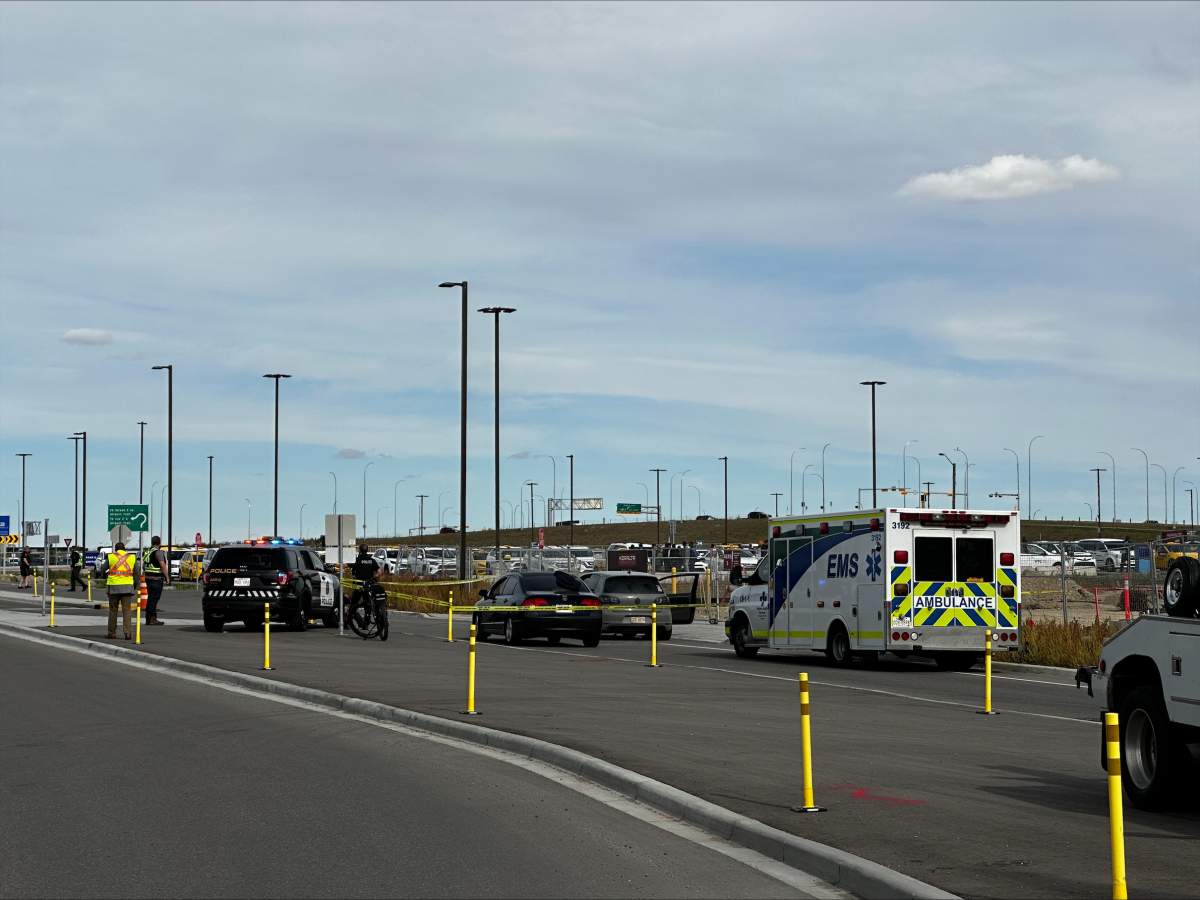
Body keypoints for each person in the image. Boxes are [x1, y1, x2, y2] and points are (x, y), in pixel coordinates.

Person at [97, 541, 140, 640]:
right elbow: (137, 573)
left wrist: (106, 575)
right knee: (127, 611)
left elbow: (103, 569)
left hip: (113, 587)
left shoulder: (111, 557)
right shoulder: (132, 557)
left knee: (113, 611)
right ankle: (127, 633)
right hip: (127, 587)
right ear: (124, 549)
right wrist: (134, 585)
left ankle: (112, 633)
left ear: (116, 549)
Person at [141, 535, 170, 625]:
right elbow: (162, 565)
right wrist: (167, 577)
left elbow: (144, 566)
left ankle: (149, 618)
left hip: (148, 578)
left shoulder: (147, 552)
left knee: (150, 599)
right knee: (154, 599)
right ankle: (152, 619)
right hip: (156, 579)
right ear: (159, 543)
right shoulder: (158, 552)